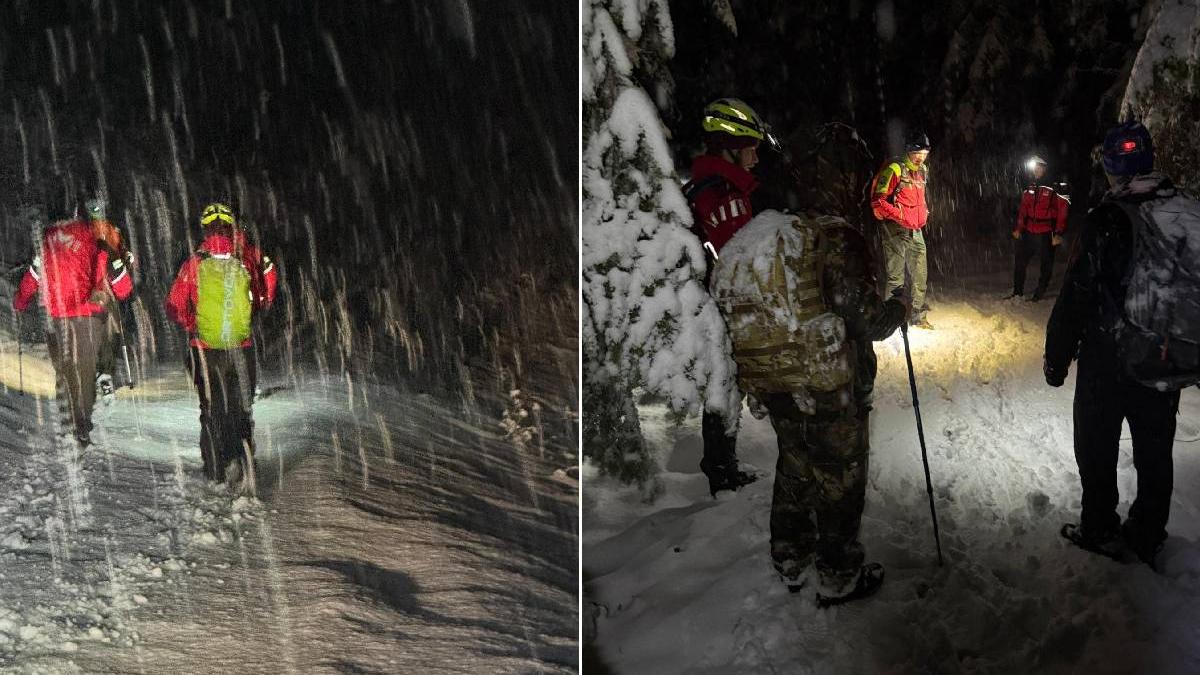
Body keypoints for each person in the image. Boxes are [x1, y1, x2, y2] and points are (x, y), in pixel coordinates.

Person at [710, 208, 907, 604]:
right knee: (840, 480)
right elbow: (866, 319)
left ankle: (790, 558)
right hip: (826, 387)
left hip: (777, 382)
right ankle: (838, 575)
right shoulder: (830, 241)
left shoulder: (769, 241)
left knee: (794, 468)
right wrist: (898, 308)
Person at [1045, 120, 1195, 569]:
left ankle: (1099, 527)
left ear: (1111, 167)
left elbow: (1077, 293)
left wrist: (1057, 356)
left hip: (1109, 357)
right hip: (1165, 356)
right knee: (1155, 451)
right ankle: (1148, 533)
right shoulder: (1185, 211)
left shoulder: (1107, 218)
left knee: (1096, 443)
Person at [680, 97, 766, 496]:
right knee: (725, 383)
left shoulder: (707, 186)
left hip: (708, 303)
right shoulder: (725, 196)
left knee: (724, 383)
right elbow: (737, 264)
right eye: (751, 148)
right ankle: (722, 472)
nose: (756, 158)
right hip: (720, 309)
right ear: (731, 148)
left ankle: (722, 465)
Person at [165, 203, 277, 490]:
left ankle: (215, 468)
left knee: (211, 409)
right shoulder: (247, 256)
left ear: (204, 230)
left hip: (204, 350)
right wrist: (254, 311)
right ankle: (243, 463)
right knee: (241, 408)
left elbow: (174, 306)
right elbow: (265, 290)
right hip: (241, 347)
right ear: (231, 227)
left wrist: (192, 323)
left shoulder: (194, 263)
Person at [12, 205, 134, 446]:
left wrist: (20, 301)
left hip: (58, 317)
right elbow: (117, 276)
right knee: (85, 371)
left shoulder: (47, 241)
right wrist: (122, 288)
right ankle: (81, 425)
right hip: (89, 315)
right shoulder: (94, 236)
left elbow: (34, 275)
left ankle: (72, 421)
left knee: (67, 371)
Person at [871, 130, 932, 328]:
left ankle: (917, 315)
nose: (921, 158)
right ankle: (891, 321)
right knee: (896, 277)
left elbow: (919, 197)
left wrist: (924, 212)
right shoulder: (895, 169)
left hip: (916, 230)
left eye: (924, 154)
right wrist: (900, 215)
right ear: (909, 151)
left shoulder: (923, 170)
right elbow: (878, 201)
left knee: (920, 275)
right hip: (896, 229)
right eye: (917, 153)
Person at [84, 197, 136, 399]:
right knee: (106, 332)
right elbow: (122, 258)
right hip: (105, 290)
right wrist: (125, 263)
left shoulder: (86, 232)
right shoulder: (111, 231)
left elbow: (122, 255)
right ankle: (103, 373)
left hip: (92, 291)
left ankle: (97, 372)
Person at [1009, 156, 1069, 301]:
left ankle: (1039, 294)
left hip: (1046, 232)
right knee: (1020, 260)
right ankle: (1017, 292)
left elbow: (1063, 210)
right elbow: (1023, 209)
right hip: (1029, 231)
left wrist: (1058, 232)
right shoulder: (1030, 185)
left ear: (1045, 168)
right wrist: (1019, 228)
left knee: (1046, 264)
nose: (1036, 170)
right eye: (1034, 167)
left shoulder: (1056, 185)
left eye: (1039, 167)